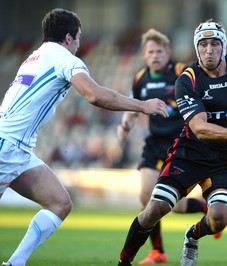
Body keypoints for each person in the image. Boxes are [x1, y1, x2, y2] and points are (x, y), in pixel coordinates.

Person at [0, 8, 168, 266]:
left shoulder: (35, 56)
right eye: (78, 38)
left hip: (17, 150)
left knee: (59, 203)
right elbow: (95, 95)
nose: (79, 45)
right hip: (6, 148)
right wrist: (143, 105)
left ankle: (15, 263)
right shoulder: (64, 58)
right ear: (68, 38)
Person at [117, 19, 227, 266]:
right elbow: (200, 128)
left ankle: (193, 235)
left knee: (219, 217)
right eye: (204, 45)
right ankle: (124, 262)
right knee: (155, 209)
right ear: (197, 48)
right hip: (189, 153)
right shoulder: (187, 79)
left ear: (224, 46)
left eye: (215, 44)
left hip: (226, 159)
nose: (209, 50)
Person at [117, 28, 220, 265]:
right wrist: (125, 124)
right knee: (146, 195)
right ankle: (157, 251)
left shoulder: (180, 72)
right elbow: (135, 107)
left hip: (179, 143)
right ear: (144, 55)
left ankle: (206, 209)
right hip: (154, 143)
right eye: (150, 52)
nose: (155, 56)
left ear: (168, 52)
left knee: (177, 206)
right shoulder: (140, 77)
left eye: (159, 51)